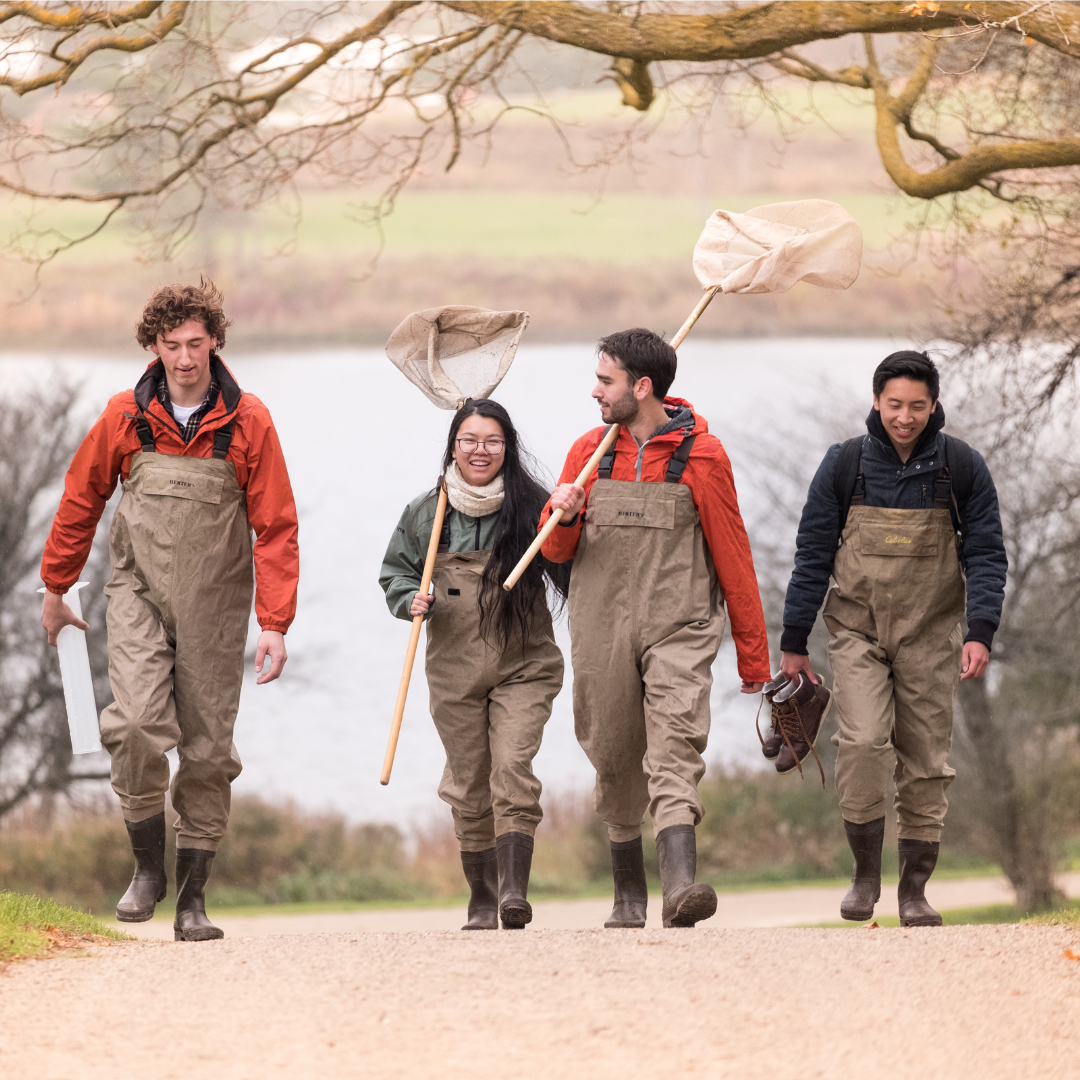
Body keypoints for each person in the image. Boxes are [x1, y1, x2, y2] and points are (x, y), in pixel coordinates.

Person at [40, 279, 299, 942]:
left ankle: (193, 901)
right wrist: (56, 588)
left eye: (195, 343)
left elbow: (275, 527)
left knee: (209, 753)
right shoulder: (124, 415)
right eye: (171, 345)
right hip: (137, 597)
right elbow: (81, 500)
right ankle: (146, 868)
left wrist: (274, 623)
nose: (184, 357)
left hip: (218, 606)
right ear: (152, 346)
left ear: (214, 341)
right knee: (132, 725)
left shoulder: (250, 422)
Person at [542, 328, 772, 929]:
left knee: (674, 745)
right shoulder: (587, 453)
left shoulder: (703, 456)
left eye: (605, 380)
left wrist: (755, 661)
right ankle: (627, 896)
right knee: (615, 753)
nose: (594, 391)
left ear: (641, 388)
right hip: (601, 628)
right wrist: (559, 512)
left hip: (681, 625)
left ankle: (681, 889)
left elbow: (733, 555)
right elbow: (558, 555)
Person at [778, 350, 1006, 926]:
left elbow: (986, 554)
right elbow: (811, 557)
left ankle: (913, 892)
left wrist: (980, 630)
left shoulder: (961, 467)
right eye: (895, 404)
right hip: (857, 631)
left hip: (932, 635)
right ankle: (863, 876)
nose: (905, 417)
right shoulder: (844, 465)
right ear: (876, 401)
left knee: (927, 760)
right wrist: (795, 640)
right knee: (861, 743)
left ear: (934, 405)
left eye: (918, 406)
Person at [380, 399, 567, 930]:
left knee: (511, 767)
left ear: (507, 448)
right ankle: (482, 898)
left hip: (524, 665)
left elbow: (574, 568)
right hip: (453, 669)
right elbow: (394, 574)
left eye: (492, 441)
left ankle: (514, 893)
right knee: (468, 781)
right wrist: (409, 599)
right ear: (453, 447)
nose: (480, 451)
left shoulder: (536, 508)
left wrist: (569, 520)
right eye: (469, 441)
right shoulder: (425, 512)